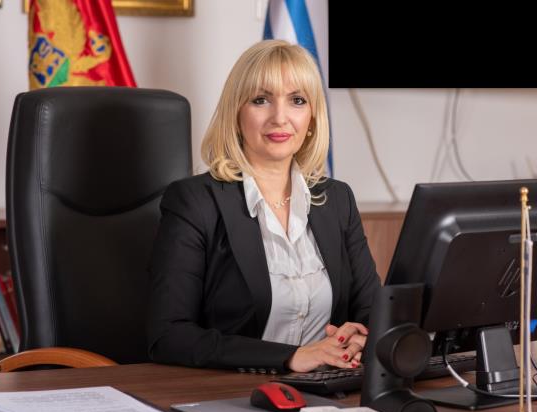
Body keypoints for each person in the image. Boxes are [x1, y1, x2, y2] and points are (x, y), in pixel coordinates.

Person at [147, 40, 380, 373]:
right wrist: (292, 357)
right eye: (261, 100)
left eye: (297, 100)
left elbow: (371, 310)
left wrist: (360, 337)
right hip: (232, 390)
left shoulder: (337, 199)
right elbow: (168, 335)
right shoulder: (195, 201)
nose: (280, 118)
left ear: (312, 117)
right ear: (236, 113)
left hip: (329, 390)